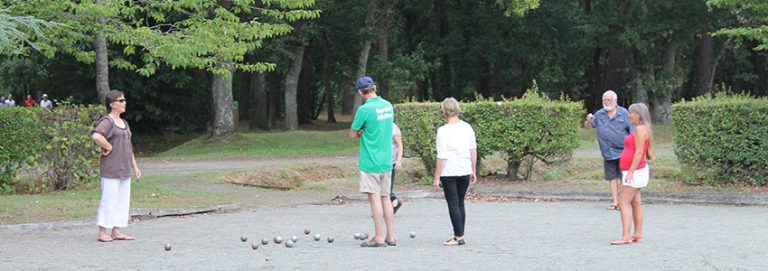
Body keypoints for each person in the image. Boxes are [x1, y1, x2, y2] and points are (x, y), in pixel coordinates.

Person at [349, 76, 396, 247]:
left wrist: (361, 132)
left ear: (361, 92)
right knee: (386, 198)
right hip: (386, 161)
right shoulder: (388, 106)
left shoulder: (364, 110)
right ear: (375, 88)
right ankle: (391, 237)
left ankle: (379, 237)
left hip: (371, 162)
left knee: (375, 199)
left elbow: (352, 134)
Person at [91, 90, 142, 242]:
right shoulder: (107, 121)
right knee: (109, 200)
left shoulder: (124, 123)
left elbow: (128, 145)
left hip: (125, 168)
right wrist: (109, 146)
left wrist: (135, 166)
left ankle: (116, 230)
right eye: (121, 101)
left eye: (124, 100)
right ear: (112, 104)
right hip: (111, 168)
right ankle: (102, 232)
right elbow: (96, 136)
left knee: (122, 201)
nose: (124, 103)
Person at [432, 97, 477, 246]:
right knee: (460, 203)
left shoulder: (442, 131)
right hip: (464, 169)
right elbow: (473, 151)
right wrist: (473, 170)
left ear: (443, 112)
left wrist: (436, 176)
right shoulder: (467, 127)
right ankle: (461, 234)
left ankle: (458, 237)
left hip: (449, 171)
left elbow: (442, 156)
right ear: (458, 109)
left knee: (453, 203)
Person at [611, 103, 654, 245]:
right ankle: (637, 234)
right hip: (636, 171)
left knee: (622, 203)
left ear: (639, 115)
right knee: (635, 203)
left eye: (632, 113)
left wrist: (630, 172)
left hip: (634, 172)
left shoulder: (641, 130)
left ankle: (626, 236)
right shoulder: (641, 129)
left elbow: (639, 152)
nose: (629, 116)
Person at [585, 90, 633, 210]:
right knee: (611, 177)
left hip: (624, 151)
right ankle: (615, 202)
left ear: (615, 100)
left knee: (623, 177)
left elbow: (632, 132)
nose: (606, 102)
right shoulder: (600, 114)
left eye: (608, 100)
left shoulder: (624, 113)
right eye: (604, 100)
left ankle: (623, 202)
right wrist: (589, 120)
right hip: (607, 152)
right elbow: (588, 127)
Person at [390, 123, 404, 214]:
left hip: (391, 162)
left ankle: (392, 205)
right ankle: (394, 203)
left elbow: (399, 145)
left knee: (386, 188)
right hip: (379, 162)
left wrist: (399, 160)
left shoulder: (393, 127)